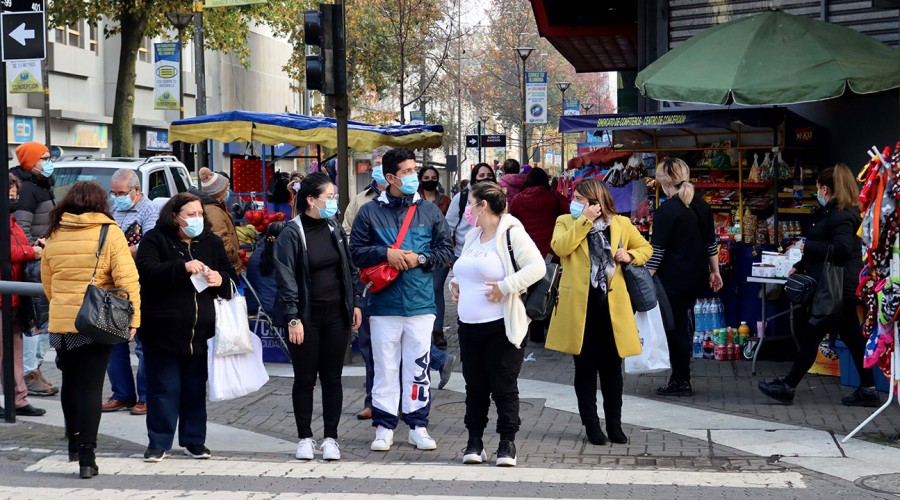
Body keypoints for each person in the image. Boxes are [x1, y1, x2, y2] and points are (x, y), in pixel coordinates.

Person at [349, 147, 453, 452]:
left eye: (414, 170)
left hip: (421, 303)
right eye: (406, 172)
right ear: (390, 177)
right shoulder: (369, 211)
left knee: (418, 366)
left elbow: (446, 250)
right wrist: (386, 254)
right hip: (383, 304)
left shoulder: (430, 211)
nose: (413, 176)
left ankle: (418, 425)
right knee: (384, 366)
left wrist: (420, 258)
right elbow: (355, 251)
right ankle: (384, 426)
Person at [41, 181, 141, 478]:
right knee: (91, 387)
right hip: (96, 321)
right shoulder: (109, 232)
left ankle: (72, 443)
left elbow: (48, 282)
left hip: (62, 321)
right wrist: (133, 319)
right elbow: (127, 279)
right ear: (100, 203)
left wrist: (61, 304)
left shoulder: (55, 233)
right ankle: (87, 456)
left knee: (70, 381)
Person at [759, 164, 876, 406]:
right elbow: (826, 248)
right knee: (852, 337)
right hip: (838, 286)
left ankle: (788, 386)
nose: (818, 194)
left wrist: (807, 248)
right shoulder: (838, 213)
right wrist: (801, 265)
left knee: (812, 334)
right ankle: (868, 388)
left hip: (835, 288)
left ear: (825, 189)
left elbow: (841, 250)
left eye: (819, 190)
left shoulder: (841, 216)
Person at [546, 179, 652, 446]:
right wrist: (583, 221)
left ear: (596, 201)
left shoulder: (620, 224)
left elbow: (645, 249)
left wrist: (628, 256)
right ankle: (591, 425)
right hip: (579, 308)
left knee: (612, 370)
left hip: (612, 308)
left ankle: (614, 425)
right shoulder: (565, 221)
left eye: (581, 199)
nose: (575, 202)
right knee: (584, 368)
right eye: (575, 198)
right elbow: (560, 248)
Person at [136, 192, 237, 463]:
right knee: (163, 390)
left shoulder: (212, 243)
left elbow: (231, 277)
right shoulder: (155, 239)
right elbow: (147, 271)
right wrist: (182, 267)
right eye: (190, 214)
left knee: (194, 391)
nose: (197, 219)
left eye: (200, 214)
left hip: (202, 334)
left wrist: (221, 279)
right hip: (162, 330)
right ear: (174, 216)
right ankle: (158, 442)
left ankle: (194, 441)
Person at [449, 182, 544, 467]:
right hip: (468, 325)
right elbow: (465, 270)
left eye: (470, 204)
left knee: (503, 386)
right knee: (474, 386)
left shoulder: (512, 233)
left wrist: (505, 286)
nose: (467, 210)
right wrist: (456, 284)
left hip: (501, 325)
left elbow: (537, 267)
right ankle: (474, 441)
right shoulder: (473, 237)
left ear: (483, 206)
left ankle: (507, 442)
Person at [273, 172, 363, 461]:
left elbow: (348, 267)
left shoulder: (334, 227)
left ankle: (331, 438)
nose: (334, 201)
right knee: (305, 378)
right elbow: (285, 278)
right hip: (306, 318)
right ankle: (304, 437)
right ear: (311, 200)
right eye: (330, 196)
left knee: (333, 378)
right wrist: (293, 317)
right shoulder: (291, 233)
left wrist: (355, 302)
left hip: (336, 314)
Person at [648, 158, 722, 397]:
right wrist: (715, 272)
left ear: (664, 181)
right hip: (696, 276)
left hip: (672, 280)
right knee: (684, 326)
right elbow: (712, 244)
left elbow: (657, 253)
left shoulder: (665, 211)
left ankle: (681, 380)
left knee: (676, 328)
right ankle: (681, 378)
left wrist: (643, 279)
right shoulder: (702, 205)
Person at [102, 169, 159, 416]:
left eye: (122, 193)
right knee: (113, 340)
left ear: (137, 190)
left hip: (141, 283)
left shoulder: (150, 211)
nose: (117, 197)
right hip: (113, 284)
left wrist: (115, 252)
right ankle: (122, 394)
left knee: (143, 343)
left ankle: (146, 396)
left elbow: (147, 246)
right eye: (114, 193)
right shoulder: (111, 211)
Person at [343, 145, 390, 421]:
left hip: (397, 280)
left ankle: (399, 400)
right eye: (375, 164)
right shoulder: (361, 200)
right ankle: (373, 400)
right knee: (370, 345)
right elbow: (348, 233)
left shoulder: (410, 200)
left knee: (398, 346)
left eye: (382, 164)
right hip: (367, 279)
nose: (377, 168)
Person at [11, 141, 58, 397]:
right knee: (35, 321)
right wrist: (35, 250)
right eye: (44, 158)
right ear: (30, 160)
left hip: (43, 257)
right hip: (35, 261)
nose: (49, 162)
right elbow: (22, 227)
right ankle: (29, 371)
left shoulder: (41, 184)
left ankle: (32, 369)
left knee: (40, 320)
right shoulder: (28, 189)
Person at [508, 167, 571, 343]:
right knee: (550, 289)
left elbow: (510, 222)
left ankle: (534, 330)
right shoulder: (553, 198)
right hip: (551, 253)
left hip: (525, 253)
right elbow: (570, 214)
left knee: (530, 290)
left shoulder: (518, 200)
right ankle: (550, 328)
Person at [1, 173, 46, 417]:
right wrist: (32, 251)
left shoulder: (11, 220)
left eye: (15, 195)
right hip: (3, 296)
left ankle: (18, 398)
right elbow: (8, 251)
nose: (14, 200)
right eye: (10, 196)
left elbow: (18, 245)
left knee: (16, 349)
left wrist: (35, 246)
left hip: (16, 295)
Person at [443, 163, 497, 348]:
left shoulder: (510, 229)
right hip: (462, 253)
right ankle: (468, 327)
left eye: (489, 174)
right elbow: (448, 225)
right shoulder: (462, 198)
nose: (485, 177)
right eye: (481, 175)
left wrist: (506, 286)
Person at [197, 167, 243, 274]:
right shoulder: (213, 212)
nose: (228, 192)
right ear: (219, 192)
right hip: (225, 266)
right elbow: (223, 240)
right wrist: (235, 261)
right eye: (226, 189)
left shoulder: (215, 208)